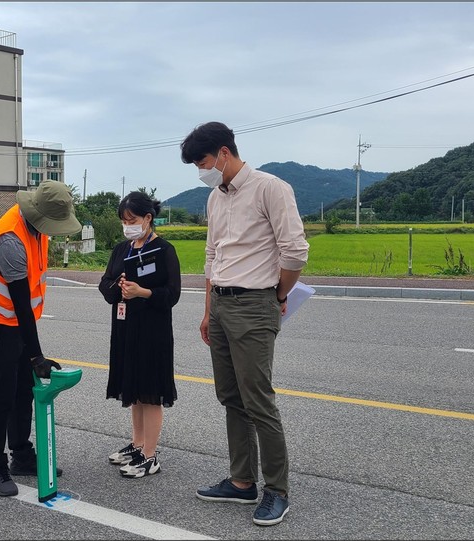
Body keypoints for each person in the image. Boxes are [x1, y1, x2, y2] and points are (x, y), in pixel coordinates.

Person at [180, 122, 309, 527]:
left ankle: (277, 490)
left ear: (223, 153)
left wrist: (279, 295)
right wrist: (206, 310)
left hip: (255, 302)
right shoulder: (215, 198)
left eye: (202, 162)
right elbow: (211, 256)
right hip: (220, 304)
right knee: (230, 396)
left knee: (258, 400)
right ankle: (241, 481)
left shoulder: (271, 187)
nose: (201, 171)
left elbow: (295, 251)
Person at [0, 180, 81, 497]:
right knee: (2, 394)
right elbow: (20, 305)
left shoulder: (35, 227)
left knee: (23, 392)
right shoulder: (10, 240)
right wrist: (37, 356)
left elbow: (25, 310)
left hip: (15, 321)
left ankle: (21, 455)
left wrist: (34, 355)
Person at [99, 191, 181, 479]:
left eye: (132, 220)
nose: (127, 225)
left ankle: (150, 455)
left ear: (148, 218)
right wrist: (118, 287)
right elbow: (104, 283)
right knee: (133, 390)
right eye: (123, 220)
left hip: (153, 330)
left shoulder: (164, 250)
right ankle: (137, 444)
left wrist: (142, 292)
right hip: (125, 327)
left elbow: (172, 294)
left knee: (151, 392)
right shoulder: (122, 250)